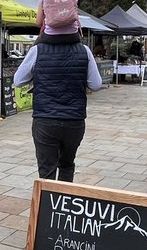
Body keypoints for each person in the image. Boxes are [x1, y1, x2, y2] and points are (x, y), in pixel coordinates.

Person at [13, 25, 103, 182]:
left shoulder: (37, 50)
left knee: (46, 171)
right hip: (74, 120)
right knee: (67, 165)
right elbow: (95, 84)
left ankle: (47, 204)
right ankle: (64, 203)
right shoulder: (84, 50)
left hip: (45, 119)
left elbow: (18, 81)